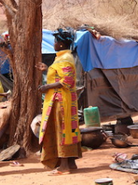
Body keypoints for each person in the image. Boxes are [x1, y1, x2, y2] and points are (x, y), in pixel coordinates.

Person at [35, 27, 82, 176]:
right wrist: (47, 69)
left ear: (61, 44)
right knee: (68, 129)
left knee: (61, 130)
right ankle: (71, 162)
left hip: (61, 101)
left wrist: (46, 87)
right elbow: (60, 75)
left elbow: (67, 80)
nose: (54, 44)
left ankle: (63, 166)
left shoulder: (65, 58)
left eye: (55, 42)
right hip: (62, 99)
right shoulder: (62, 58)